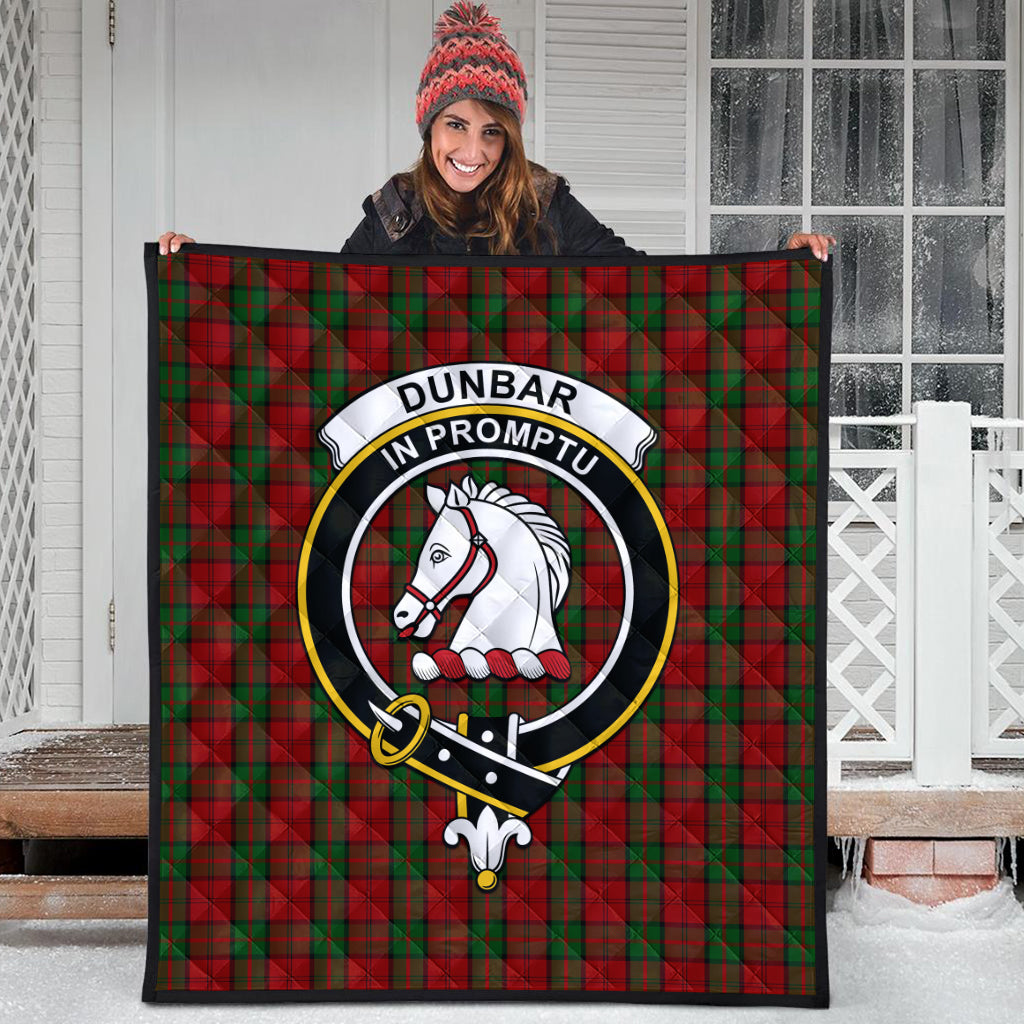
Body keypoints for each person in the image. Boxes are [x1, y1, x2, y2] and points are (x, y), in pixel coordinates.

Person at [159, 1, 835, 262]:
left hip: (529, 430)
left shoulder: (545, 203)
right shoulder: (394, 211)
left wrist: (779, 267)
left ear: (511, 138)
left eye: (492, 133)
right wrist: (199, 272)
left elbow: (651, 288)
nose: (472, 151)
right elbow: (318, 312)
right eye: (456, 126)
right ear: (429, 126)